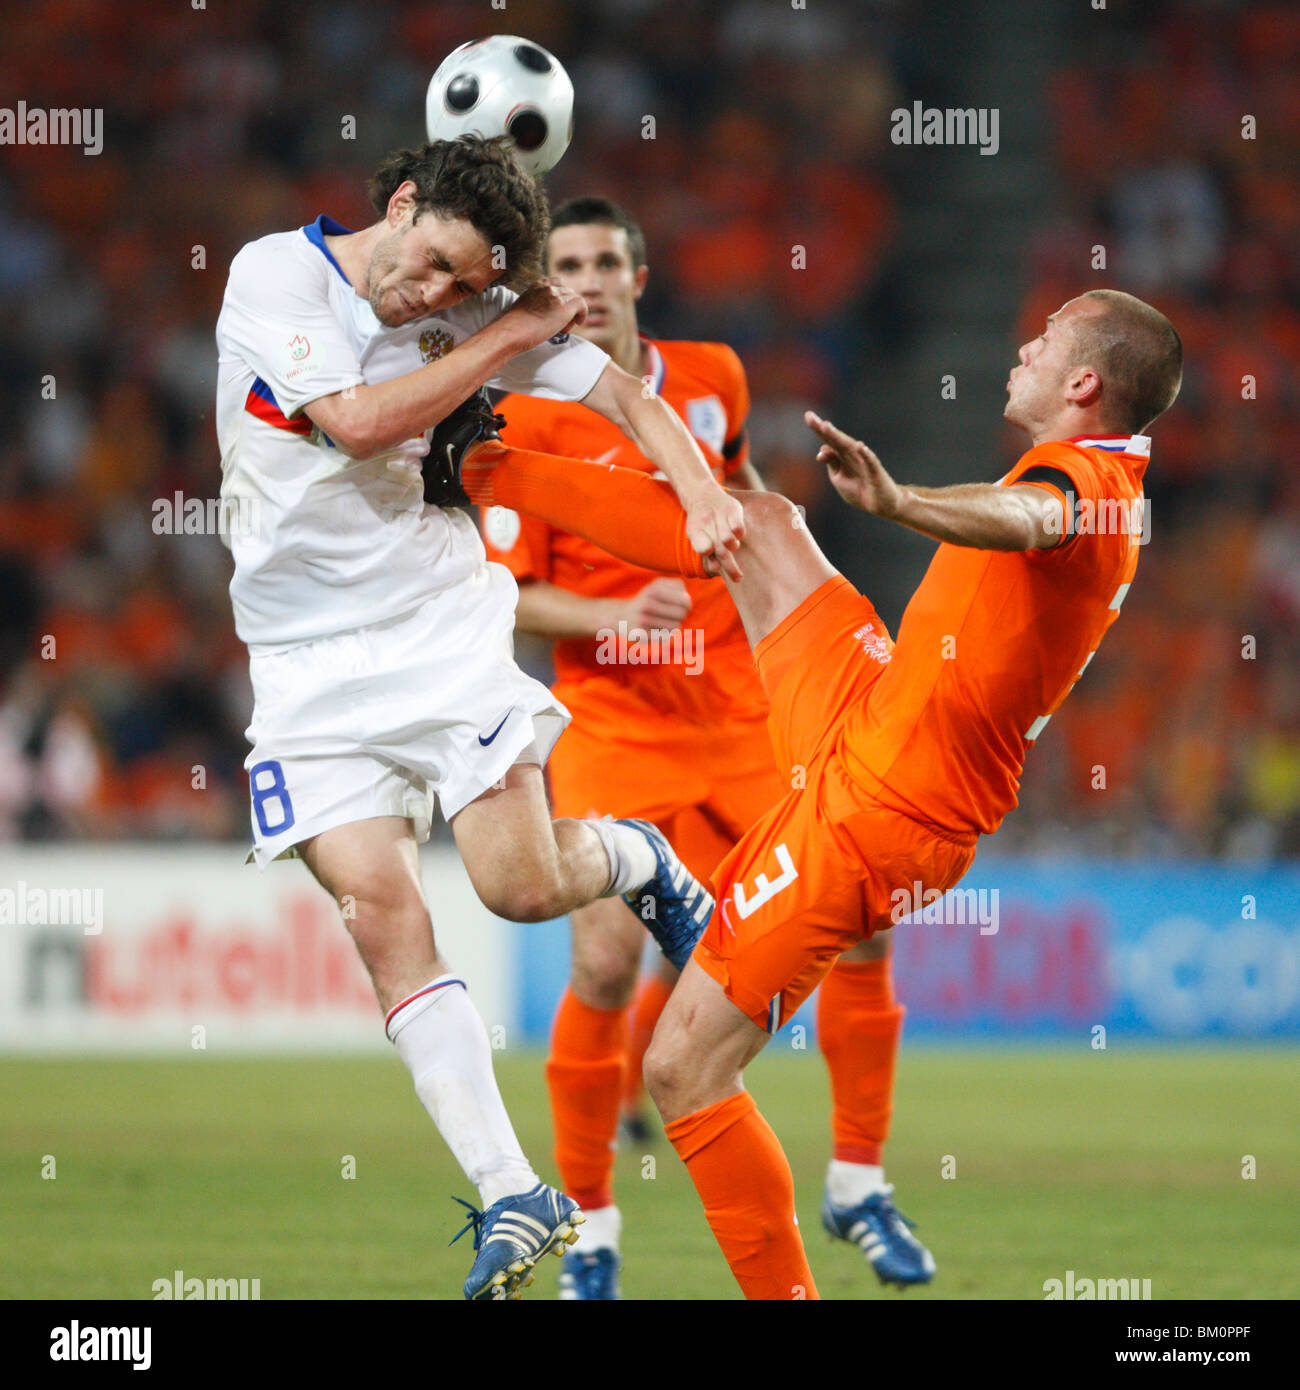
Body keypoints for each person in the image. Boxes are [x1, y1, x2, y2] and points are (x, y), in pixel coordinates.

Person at [213, 136, 744, 1300]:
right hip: (302, 664)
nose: (439, 297)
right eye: (438, 268)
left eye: (467, 286)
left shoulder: (476, 303)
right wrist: (508, 328)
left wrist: (701, 488)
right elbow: (353, 422)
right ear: (400, 206)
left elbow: (624, 394)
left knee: (518, 887)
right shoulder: (275, 277)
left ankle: (635, 858)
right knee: (379, 917)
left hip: (438, 627)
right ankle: (516, 1188)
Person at [630, 289, 1184, 1298]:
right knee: (755, 520)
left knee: (682, 1068)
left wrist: (900, 503)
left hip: (887, 810)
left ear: (1082, 383)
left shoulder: (1085, 487)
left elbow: (1028, 518)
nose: (1021, 344)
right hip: (873, 717)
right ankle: (475, 459)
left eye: (1045, 338)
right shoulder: (1103, 481)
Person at [480, 197, 931, 1299]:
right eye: (563, 265)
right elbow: (502, 594)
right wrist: (609, 615)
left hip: (741, 715)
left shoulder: (713, 374)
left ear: (638, 275)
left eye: (602, 262)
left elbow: (737, 492)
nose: (584, 282)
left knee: (862, 929)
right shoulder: (524, 419)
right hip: (612, 725)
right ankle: (590, 1228)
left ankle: (859, 1183)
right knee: (600, 958)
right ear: (541, 287)